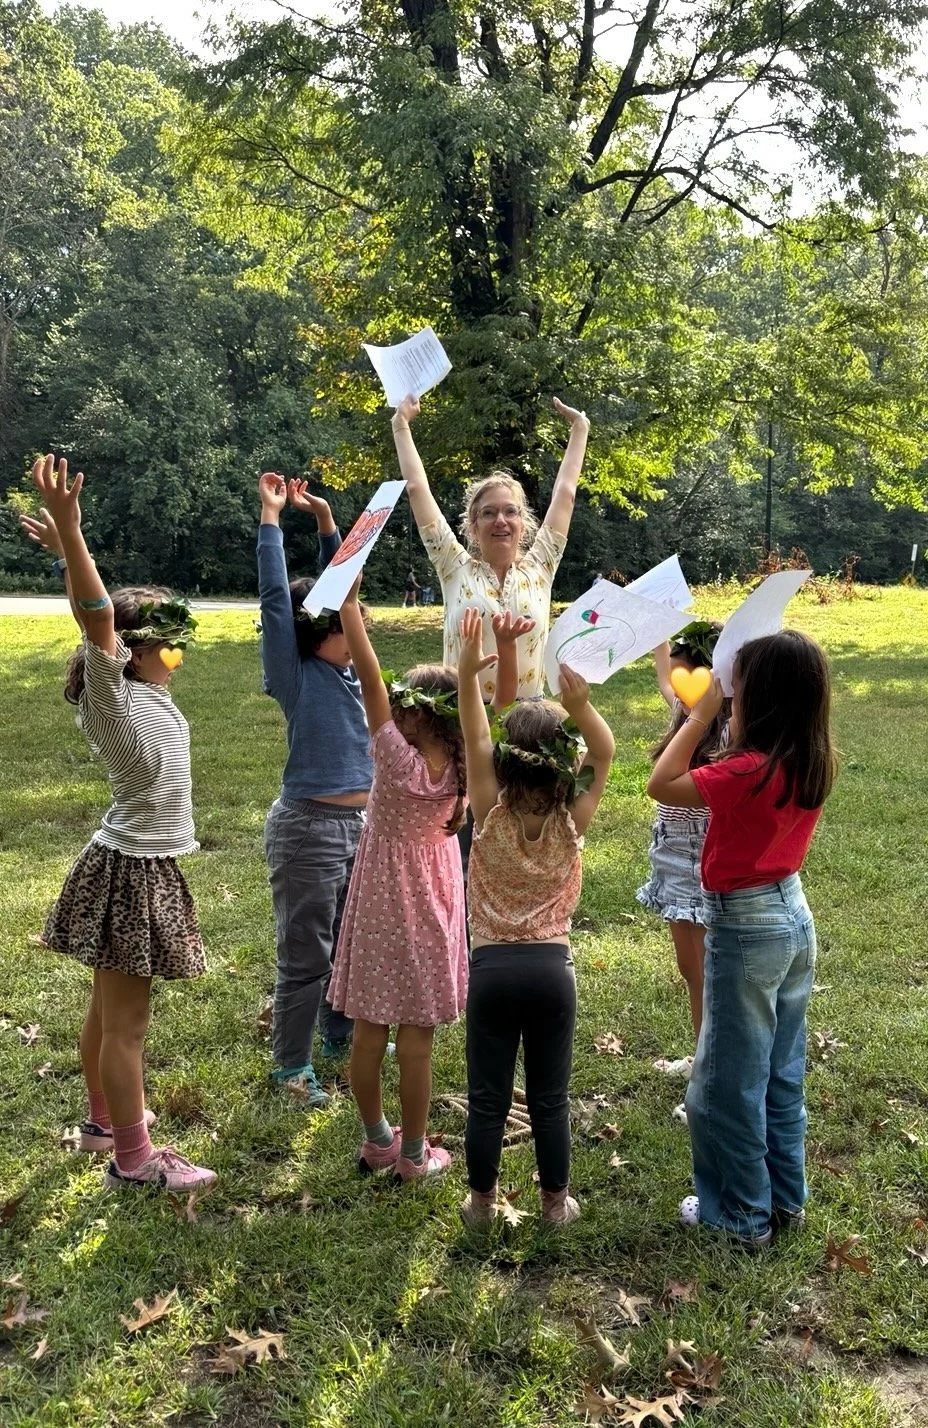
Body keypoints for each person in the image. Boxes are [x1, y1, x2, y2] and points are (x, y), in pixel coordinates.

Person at [20, 456, 215, 1196]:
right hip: (131, 870)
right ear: (135, 649)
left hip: (133, 862)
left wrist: (72, 549)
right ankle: (133, 1159)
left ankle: (105, 1121)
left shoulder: (147, 692)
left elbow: (107, 612)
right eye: (170, 639)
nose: (181, 650)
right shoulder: (115, 699)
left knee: (108, 1011)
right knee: (127, 1025)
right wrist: (73, 535)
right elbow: (98, 615)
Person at [647, 630, 837, 1247]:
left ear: (764, 701)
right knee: (781, 1070)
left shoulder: (742, 770)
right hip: (793, 914)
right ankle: (784, 1201)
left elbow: (662, 781)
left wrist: (700, 714)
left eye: (739, 691)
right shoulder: (808, 759)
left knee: (724, 1082)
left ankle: (737, 1218)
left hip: (746, 926)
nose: (731, 701)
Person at [456, 610, 615, 1226]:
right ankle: (555, 1205)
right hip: (553, 971)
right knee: (551, 1099)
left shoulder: (487, 810)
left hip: (491, 969)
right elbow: (603, 751)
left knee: (487, 1098)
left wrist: (471, 677)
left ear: (504, 762)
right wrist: (581, 708)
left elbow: (473, 737)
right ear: (562, 765)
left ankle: (481, 1203)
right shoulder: (572, 819)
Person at [325, 576, 469, 1181]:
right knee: (417, 1039)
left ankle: (378, 1140)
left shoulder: (391, 753)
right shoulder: (465, 764)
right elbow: (499, 703)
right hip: (434, 895)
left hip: (383, 895)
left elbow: (369, 670)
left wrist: (351, 607)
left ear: (409, 712)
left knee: (367, 1033)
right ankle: (415, 1154)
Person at [257, 473, 372, 1106]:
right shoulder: (296, 677)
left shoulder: (357, 676)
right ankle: (290, 1064)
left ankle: (336, 1035)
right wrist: (272, 521)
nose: (356, 630)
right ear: (314, 632)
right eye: (342, 625)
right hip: (309, 829)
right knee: (307, 953)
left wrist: (329, 523)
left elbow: (345, 590)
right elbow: (276, 603)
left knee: (349, 942)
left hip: (362, 829)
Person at [391, 392, 590, 701]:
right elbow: (417, 489)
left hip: (529, 723)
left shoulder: (540, 567)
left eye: (510, 511)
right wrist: (401, 424)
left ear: (523, 523)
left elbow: (566, 494)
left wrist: (580, 428)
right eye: (488, 513)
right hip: (462, 720)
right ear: (473, 524)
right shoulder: (453, 567)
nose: (501, 520)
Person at [636, 622, 729, 1113]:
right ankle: (701, 1054)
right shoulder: (684, 712)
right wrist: (658, 638)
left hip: (706, 861)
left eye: (681, 674)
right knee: (690, 968)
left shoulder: (731, 730)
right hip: (672, 858)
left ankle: (712, 1073)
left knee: (710, 973)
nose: (672, 684)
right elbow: (663, 677)